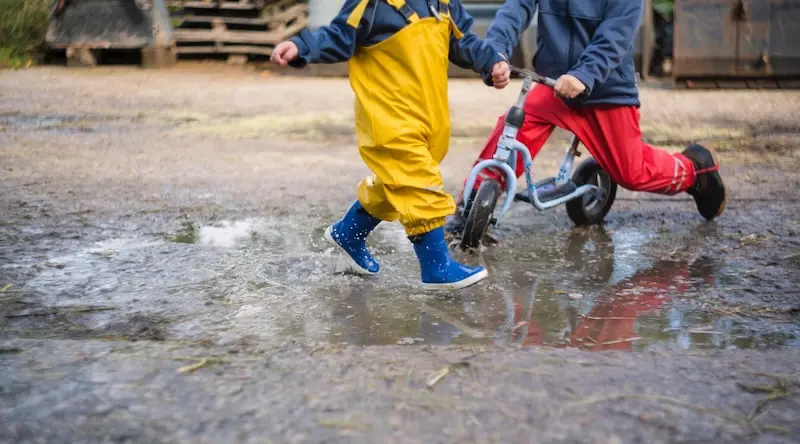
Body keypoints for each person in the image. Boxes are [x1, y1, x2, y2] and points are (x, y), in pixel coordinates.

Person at [270, 0, 511, 290]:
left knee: (397, 183)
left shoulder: (442, 3)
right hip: (388, 118)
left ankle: (349, 232)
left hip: (428, 116)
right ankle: (436, 267)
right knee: (420, 184)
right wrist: (302, 46)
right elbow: (338, 35)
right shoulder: (372, 5)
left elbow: (463, 41)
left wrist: (491, 62)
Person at [445, 0, 727, 240]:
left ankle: (694, 170)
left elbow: (617, 33)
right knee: (513, 129)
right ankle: (470, 206)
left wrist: (584, 74)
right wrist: (495, 53)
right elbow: (515, 8)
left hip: (605, 89)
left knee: (633, 172)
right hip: (552, 83)